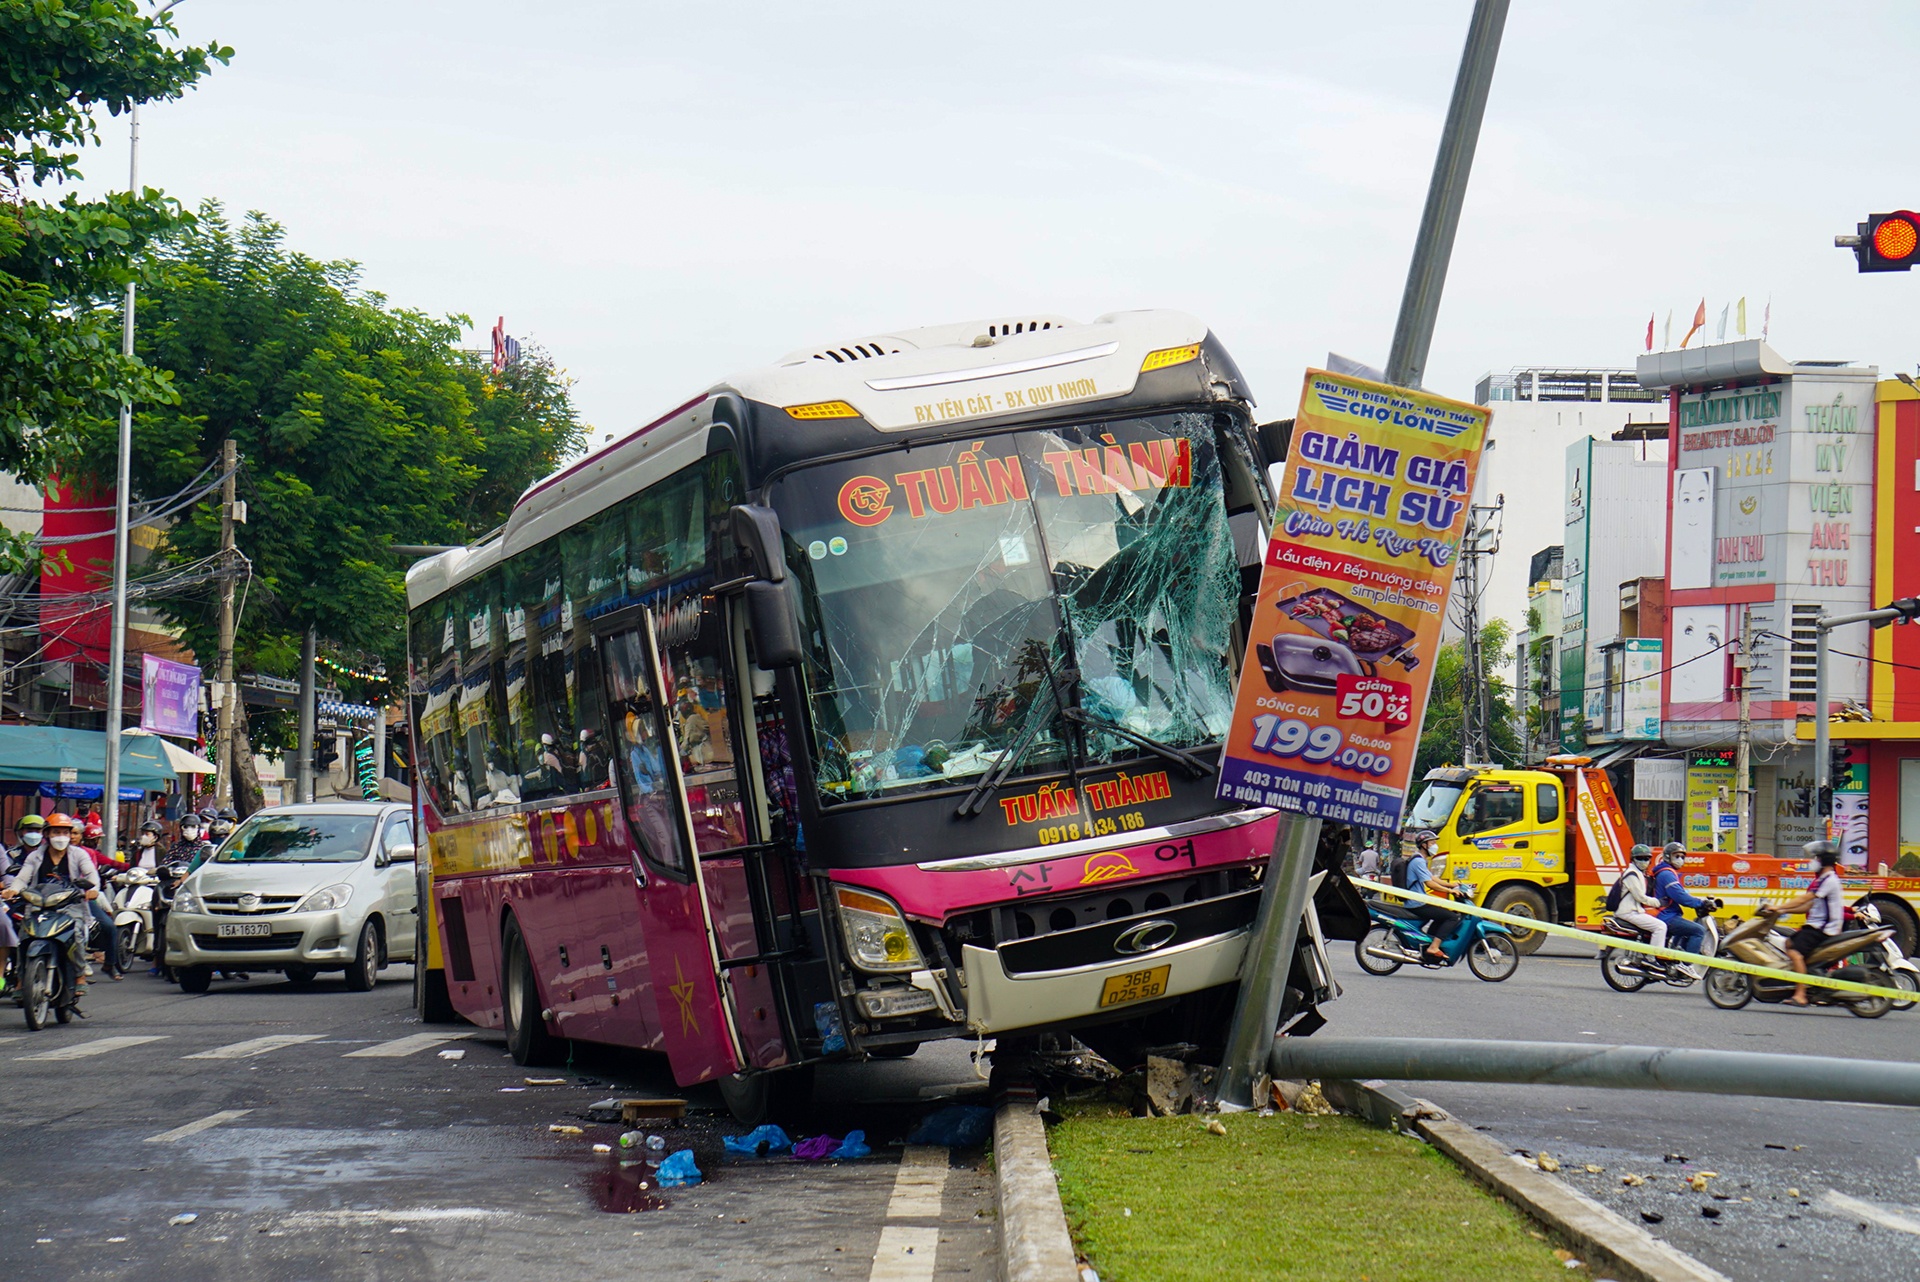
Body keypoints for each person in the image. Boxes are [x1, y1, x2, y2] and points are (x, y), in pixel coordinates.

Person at [2, 811, 100, 995]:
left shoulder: (78, 854)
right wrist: (12, 890)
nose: (60, 837)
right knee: (24, 936)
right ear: (46, 834)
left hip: (70, 905)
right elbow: (23, 878)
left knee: (76, 933)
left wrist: (92, 889)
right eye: (55, 832)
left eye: (64, 832)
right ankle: (22, 979)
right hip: (39, 905)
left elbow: (90, 874)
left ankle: (80, 976)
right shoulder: (35, 856)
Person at [1767, 839, 1847, 1007]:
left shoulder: (1828, 879)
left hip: (1822, 929)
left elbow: (1807, 898)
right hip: (1818, 927)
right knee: (1789, 942)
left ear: (1823, 860)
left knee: (1795, 952)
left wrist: (1779, 906)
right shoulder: (1824, 879)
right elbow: (1808, 906)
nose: (1813, 861)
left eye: (1816, 858)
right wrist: (1782, 911)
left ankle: (1801, 994)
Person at [1396, 829, 1465, 963]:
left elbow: (1431, 877)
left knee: (1441, 914)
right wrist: (1450, 891)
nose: (1435, 845)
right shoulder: (1418, 861)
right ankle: (1434, 947)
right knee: (1452, 917)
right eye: (1432, 842)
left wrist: (1450, 885)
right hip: (1416, 903)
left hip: (1417, 900)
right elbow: (1430, 884)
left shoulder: (1420, 859)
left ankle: (1429, 941)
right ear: (1424, 845)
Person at [1649, 841, 1712, 958]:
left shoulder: (1666, 872)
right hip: (1665, 915)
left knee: (1687, 928)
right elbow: (1680, 896)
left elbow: (1682, 893)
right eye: (1676, 856)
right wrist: (1700, 903)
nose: (1680, 859)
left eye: (1682, 857)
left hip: (1667, 913)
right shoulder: (1666, 874)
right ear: (1667, 856)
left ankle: (1675, 959)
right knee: (1698, 931)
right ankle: (1687, 965)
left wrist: (1697, 900)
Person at [1613, 844, 1668, 967]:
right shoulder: (1632, 874)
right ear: (1633, 859)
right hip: (1629, 913)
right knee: (1660, 927)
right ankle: (1651, 958)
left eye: (1646, 858)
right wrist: (1658, 902)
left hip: (1634, 911)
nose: (1644, 861)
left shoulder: (1638, 873)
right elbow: (1640, 897)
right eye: (1640, 858)